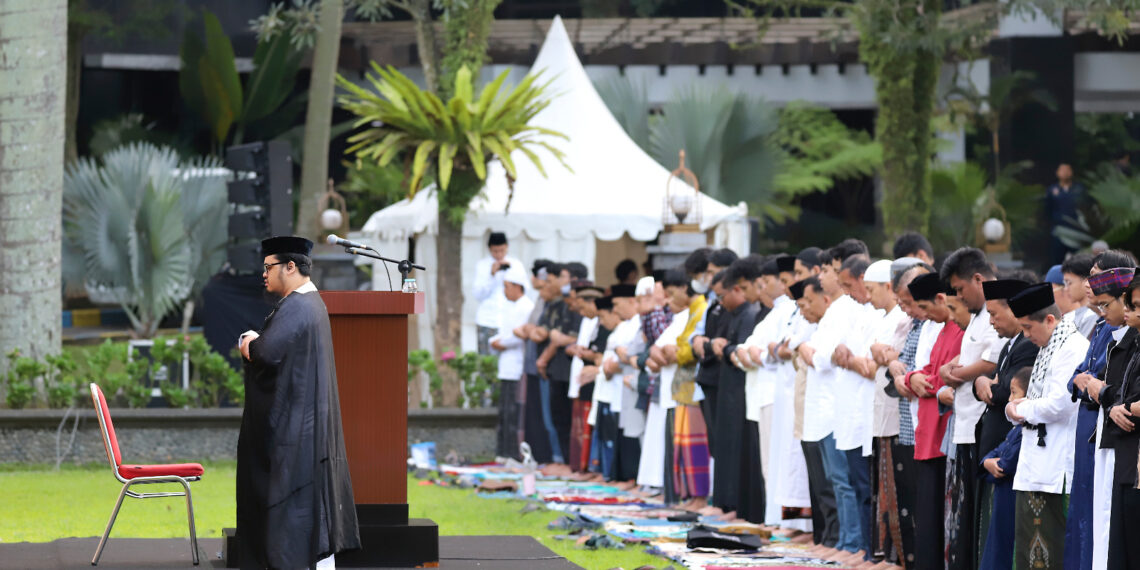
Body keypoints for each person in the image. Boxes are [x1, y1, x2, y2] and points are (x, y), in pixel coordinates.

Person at [236, 236, 359, 570]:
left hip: (294, 432)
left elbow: (267, 353)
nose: (264, 274)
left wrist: (248, 341)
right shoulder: (310, 303)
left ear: (291, 266)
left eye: (269, 267)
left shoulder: (299, 305)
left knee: (292, 511)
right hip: (305, 425)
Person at [1005, 283, 1090, 570]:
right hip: (1038, 461)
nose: (1026, 336)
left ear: (1050, 320)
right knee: (1031, 543)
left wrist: (1020, 408)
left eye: (1029, 328)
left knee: (1053, 546)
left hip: (1057, 464)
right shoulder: (1050, 345)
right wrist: (1020, 408)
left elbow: (1059, 403)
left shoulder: (1072, 346)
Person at [937, 247, 1003, 570]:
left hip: (981, 422)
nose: (960, 298)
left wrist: (955, 373)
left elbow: (991, 361)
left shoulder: (996, 310)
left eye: (961, 289)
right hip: (964, 423)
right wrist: (953, 368)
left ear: (978, 279)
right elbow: (967, 358)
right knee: (965, 510)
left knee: (978, 510)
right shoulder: (978, 317)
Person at [973, 278, 1039, 564]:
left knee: (1004, 536)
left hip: (1009, 452)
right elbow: (995, 388)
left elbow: (1001, 393)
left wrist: (992, 385)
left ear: (1013, 311)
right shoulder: (1008, 346)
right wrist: (983, 381)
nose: (991, 322)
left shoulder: (1026, 346)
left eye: (994, 314)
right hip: (997, 448)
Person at [903, 272, 965, 570]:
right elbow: (930, 370)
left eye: (926, 308)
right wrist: (911, 376)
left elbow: (940, 380)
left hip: (944, 431)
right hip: (928, 430)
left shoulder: (959, 330)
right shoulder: (943, 329)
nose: (924, 316)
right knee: (926, 511)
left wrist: (921, 379)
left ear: (942, 299)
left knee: (940, 512)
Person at [977, 366, 1032, 570]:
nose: (1010, 399)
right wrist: (987, 461)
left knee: (1006, 547)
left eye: (1014, 393)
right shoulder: (1015, 430)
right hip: (1002, 496)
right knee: (996, 542)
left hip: (1012, 496)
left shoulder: (1025, 431)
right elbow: (996, 452)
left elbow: (1006, 462)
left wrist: (993, 462)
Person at [1106, 275, 1140, 569]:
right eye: (1133, 304)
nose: (1134, 311)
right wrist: (1117, 406)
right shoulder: (1134, 343)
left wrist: (1125, 407)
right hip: (1128, 458)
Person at [489, 266, 536, 460]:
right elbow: (506, 334)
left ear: (518, 286)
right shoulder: (509, 306)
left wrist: (500, 342)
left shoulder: (526, 306)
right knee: (504, 412)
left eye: (507, 286)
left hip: (517, 366)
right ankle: (502, 451)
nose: (504, 291)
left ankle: (513, 453)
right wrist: (495, 342)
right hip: (506, 366)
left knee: (514, 413)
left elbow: (519, 335)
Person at [472, 232, 524, 355]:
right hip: (487, 320)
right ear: (489, 249)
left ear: (507, 247)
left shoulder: (516, 265)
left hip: (509, 321)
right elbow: (477, 295)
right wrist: (491, 275)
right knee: (486, 362)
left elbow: (523, 291)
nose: (499, 255)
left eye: (502, 250)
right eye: (495, 251)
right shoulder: (483, 266)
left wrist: (510, 272)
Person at [1046, 164, 1085, 263]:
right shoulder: (1052, 190)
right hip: (1059, 230)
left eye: (1067, 170)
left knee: (1079, 260)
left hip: (1076, 230)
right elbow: (1048, 209)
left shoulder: (1079, 189)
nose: (1065, 172)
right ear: (1057, 173)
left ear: (1071, 172)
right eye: (1062, 170)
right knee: (1057, 259)